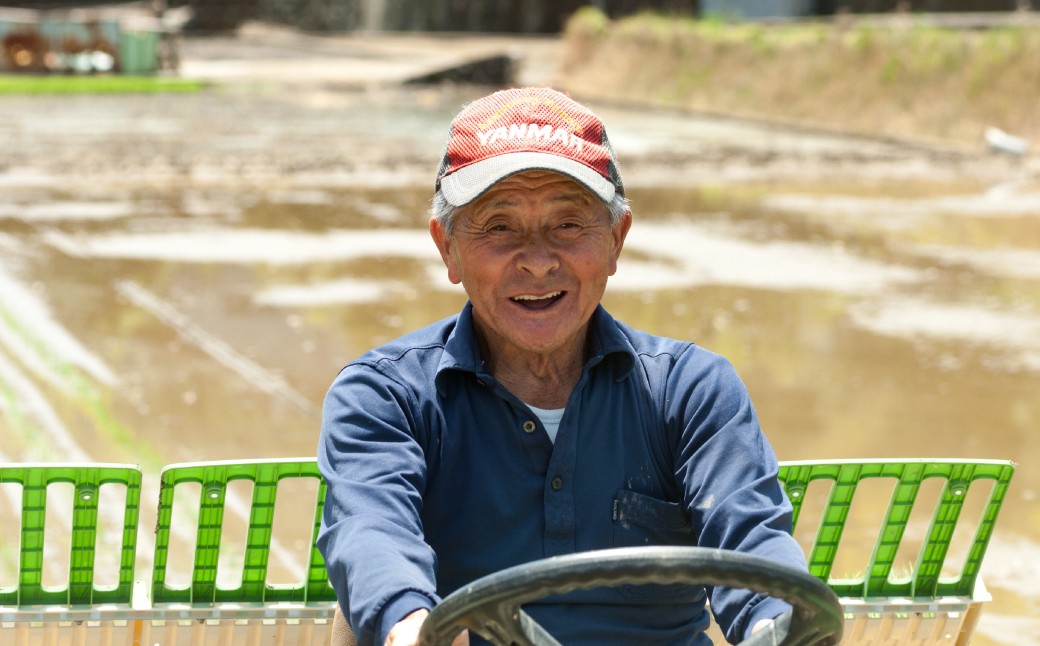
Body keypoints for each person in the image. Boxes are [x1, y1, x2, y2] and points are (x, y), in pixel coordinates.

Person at [317, 87, 807, 646]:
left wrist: (778, 624)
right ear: (447, 247)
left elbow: (753, 544)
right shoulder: (385, 396)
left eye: (569, 225)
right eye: (499, 227)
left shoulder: (691, 390)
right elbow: (371, 534)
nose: (538, 259)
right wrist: (408, 628)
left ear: (617, 242)